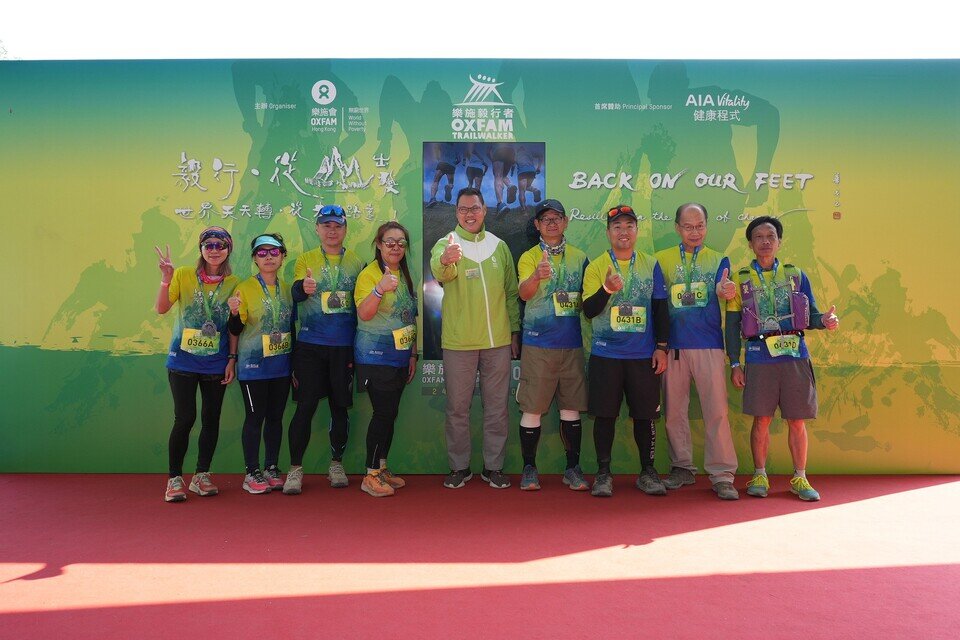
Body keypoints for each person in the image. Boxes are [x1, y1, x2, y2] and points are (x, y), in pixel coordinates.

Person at [726, 216, 840, 501]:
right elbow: (731, 326)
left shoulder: (796, 275)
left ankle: (800, 478)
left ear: (778, 241)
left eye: (771, 236)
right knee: (761, 419)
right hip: (759, 356)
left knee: (797, 420)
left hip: (795, 356)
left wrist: (824, 320)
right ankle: (760, 474)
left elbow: (810, 314)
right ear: (751, 243)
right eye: (759, 237)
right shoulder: (740, 280)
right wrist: (735, 364)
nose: (765, 242)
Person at [430, 187, 520, 489]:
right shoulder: (447, 243)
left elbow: (510, 292)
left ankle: (493, 468)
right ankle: (460, 468)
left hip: (498, 343)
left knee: (497, 409)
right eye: (464, 209)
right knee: (457, 409)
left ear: (485, 211)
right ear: (456, 213)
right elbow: (441, 272)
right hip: (459, 343)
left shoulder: (500, 246)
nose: (470, 214)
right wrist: (445, 260)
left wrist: (514, 331)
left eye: (475, 208)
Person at [581, 205, 670, 497]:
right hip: (606, 355)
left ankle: (647, 471)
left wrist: (661, 348)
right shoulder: (596, 266)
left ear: (637, 231)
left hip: (642, 356)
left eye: (629, 226)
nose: (623, 232)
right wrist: (606, 289)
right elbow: (589, 310)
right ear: (608, 232)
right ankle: (603, 473)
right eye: (617, 227)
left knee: (645, 416)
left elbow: (660, 309)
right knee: (604, 416)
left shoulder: (650, 264)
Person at [655, 203, 739, 500]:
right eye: (688, 226)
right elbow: (656, 302)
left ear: (707, 226)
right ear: (677, 228)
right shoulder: (661, 260)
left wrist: (725, 291)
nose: (695, 232)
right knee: (674, 413)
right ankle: (682, 467)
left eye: (700, 225)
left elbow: (725, 289)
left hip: (709, 345)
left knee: (716, 412)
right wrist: (659, 346)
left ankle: (722, 473)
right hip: (673, 347)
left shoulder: (719, 259)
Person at [284, 204, 365, 494]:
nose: (332, 231)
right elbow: (294, 293)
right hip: (310, 346)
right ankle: (295, 469)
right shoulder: (304, 260)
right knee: (304, 408)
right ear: (317, 229)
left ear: (345, 230)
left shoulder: (357, 262)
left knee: (339, 407)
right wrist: (302, 288)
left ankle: (336, 464)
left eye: (338, 226)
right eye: (326, 225)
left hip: (343, 348)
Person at [156, 227, 239, 503]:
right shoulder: (183, 275)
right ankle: (174, 478)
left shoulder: (234, 283)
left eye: (220, 245)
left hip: (216, 363)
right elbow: (162, 308)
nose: (214, 249)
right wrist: (166, 280)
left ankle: (201, 475)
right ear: (201, 249)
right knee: (185, 418)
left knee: (210, 420)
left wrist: (231, 360)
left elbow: (232, 328)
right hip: (183, 360)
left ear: (228, 249)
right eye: (209, 244)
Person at [515, 199, 589, 491]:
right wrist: (536, 275)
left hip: (571, 344)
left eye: (557, 217)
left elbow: (590, 298)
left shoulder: (581, 257)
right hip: (538, 344)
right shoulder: (528, 257)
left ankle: (572, 468)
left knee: (571, 409)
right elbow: (523, 293)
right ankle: (529, 468)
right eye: (545, 219)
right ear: (537, 225)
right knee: (532, 409)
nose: (551, 223)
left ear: (566, 221)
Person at [354, 222, 419, 497]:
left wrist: (413, 353)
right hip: (374, 356)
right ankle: (369, 475)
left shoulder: (403, 275)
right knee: (382, 414)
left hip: (399, 358)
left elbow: (408, 316)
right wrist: (379, 289)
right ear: (379, 245)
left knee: (390, 414)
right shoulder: (370, 275)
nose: (395, 247)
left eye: (401, 243)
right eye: (389, 242)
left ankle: (381, 468)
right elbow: (364, 314)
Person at [228, 233, 295, 494]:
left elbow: (291, 327)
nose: (268, 257)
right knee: (255, 418)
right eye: (262, 253)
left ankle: (271, 467)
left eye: (274, 252)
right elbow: (235, 328)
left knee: (276, 418)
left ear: (282, 256)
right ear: (255, 259)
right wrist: (234, 312)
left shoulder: (288, 289)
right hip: (253, 366)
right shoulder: (243, 288)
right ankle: (251, 472)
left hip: (281, 365)